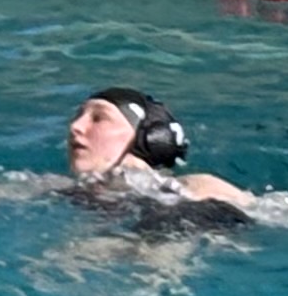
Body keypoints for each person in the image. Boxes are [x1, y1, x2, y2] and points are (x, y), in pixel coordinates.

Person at [65, 87, 250, 212]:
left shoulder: (198, 188)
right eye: (78, 115)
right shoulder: (71, 192)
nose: (75, 126)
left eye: (98, 118)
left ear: (149, 139)